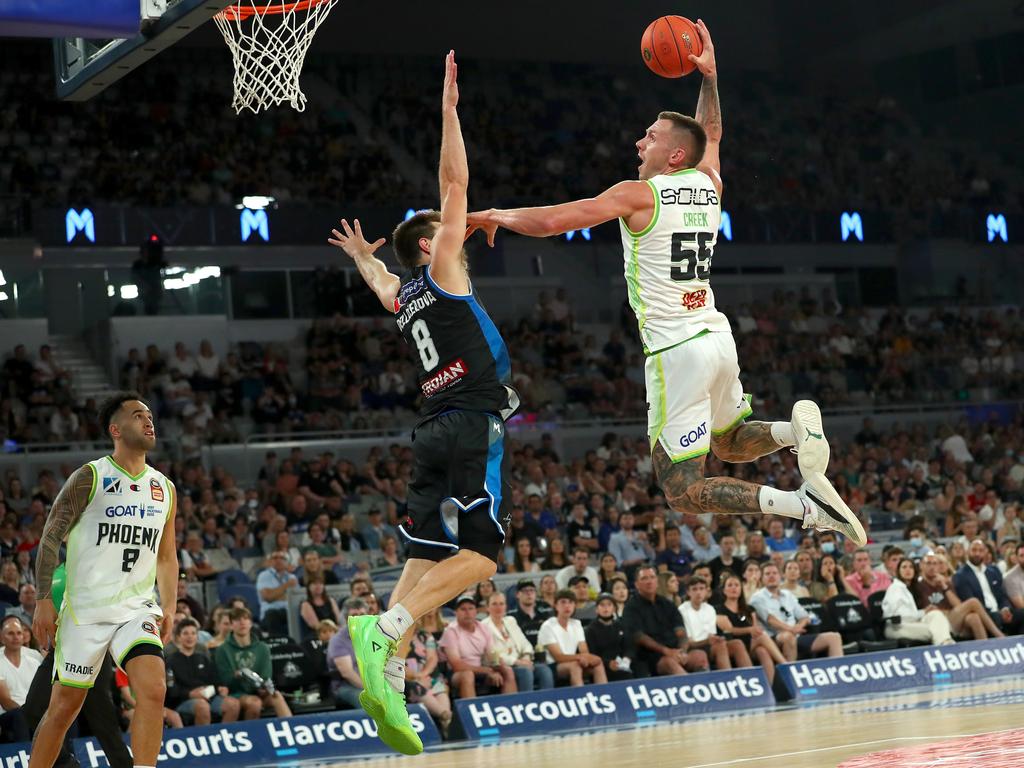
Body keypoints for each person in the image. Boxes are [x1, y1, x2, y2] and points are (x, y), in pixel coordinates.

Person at [466, 20, 865, 551]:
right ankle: (795, 433)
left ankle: (801, 504)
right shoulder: (709, 184)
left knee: (681, 489)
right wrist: (710, 79)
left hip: (675, 349)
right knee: (730, 440)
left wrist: (498, 213)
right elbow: (713, 135)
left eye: (650, 136)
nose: (639, 141)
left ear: (674, 155)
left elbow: (560, 220)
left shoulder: (640, 195)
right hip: (717, 336)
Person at [329, 53, 519, 756]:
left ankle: (390, 680)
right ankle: (383, 632)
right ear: (431, 243)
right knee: (481, 561)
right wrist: (448, 110)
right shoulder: (440, 271)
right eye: (447, 229)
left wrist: (359, 256)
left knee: (423, 563)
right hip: (472, 421)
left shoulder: (404, 294)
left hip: (432, 430)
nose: (459, 228)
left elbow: (381, 279)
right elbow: (453, 180)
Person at [29, 392, 178, 768]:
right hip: (86, 612)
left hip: (136, 609)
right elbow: (49, 537)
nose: (149, 421)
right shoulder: (91, 477)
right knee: (64, 709)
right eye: (137, 415)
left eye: (149, 414)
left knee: (154, 688)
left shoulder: (164, 488)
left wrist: (170, 605)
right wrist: (43, 599)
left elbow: (166, 555)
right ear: (115, 429)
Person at [21, 563, 133, 768]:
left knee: (103, 724)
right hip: (61, 650)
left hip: (93, 649)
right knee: (33, 709)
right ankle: (67, 764)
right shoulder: (56, 570)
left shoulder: (96, 566)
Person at [621, 566, 708, 677]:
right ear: (637, 584)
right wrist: (666, 651)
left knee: (700, 656)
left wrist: (682, 651)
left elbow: (681, 631)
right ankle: (692, 688)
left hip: (675, 651)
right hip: (650, 657)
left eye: (652, 577)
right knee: (670, 663)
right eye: (644, 578)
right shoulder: (631, 607)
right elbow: (639, 637)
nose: (649, 581)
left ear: (657, 581)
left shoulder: (667, 604)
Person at [750, 563, 843, 662]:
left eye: (774, 573)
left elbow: (804, 617)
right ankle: (790, 674)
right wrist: (791, 629)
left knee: (834, 637)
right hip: (774, 639)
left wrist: (799, 626)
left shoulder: (787, 595)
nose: (771, 576)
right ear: (761, 578)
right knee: (788, 637)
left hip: (795, 635)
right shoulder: (757, 598)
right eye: (767, 574)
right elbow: (770, 620)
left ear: (780, 576)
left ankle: (839, 674)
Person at [214, 606, 291, 720]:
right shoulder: (222, 650)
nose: (242, 623)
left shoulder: (262, 648)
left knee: (277, 696)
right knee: (254, 703)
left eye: (245, 619)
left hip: (258, 691)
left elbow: (266, 675)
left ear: (251, 623)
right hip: (235, 694)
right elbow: (225, 680)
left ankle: (292, 730)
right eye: (237, 620)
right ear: (231, 625)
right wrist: (236, 676)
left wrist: (264, 687)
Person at [438, 594, 515, 700]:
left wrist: (497, 668)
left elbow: (492, 655)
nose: (467, 612)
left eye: (470, 608)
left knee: (507, 670)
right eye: (463, 609)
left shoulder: (483, 628)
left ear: (476, 611)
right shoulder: (451, 631)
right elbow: (456, 665)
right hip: (456, 673)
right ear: (456, 613)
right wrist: (486, 671)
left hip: (480, 668)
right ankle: (471, 712)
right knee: (467, 675)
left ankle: (511, 707)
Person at [166, 617, 240, 725]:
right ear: (178, 637)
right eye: (185, 633)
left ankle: (221, 736)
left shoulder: (203, 658)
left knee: (233, 704)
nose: (190, 637)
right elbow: (171, 689)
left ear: (197, 637)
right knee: (202, 706)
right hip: (183, 701)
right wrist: (190, 694)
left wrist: (220, 688)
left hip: (209, 697)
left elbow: (216, 681)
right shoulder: (170, 661)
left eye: (193, 633)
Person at [715, 573, 785, 684]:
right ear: (724, 590)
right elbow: (728, 629)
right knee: (761, 636)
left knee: (762, 651)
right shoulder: (718, 610)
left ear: (741, 589)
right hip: (732, 643)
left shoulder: (748, 609)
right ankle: (785, 664)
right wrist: (749, 630)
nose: (734, 588)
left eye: (737, 585)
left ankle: (768, 689)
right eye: (730, 585)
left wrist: (752, 630)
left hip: (751, 643)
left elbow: (754, 629)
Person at [917, 553, 1002, 639]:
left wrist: (944, 587)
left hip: (952, 617)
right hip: (936, 622)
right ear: (921, 566)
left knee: (974, 618)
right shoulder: (919, 585)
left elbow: (957, 605)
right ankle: (999, 636)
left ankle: (984, 648)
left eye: (934, 563)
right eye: (928, 563)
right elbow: (927, 611)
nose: (932, 567)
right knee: (973, 602)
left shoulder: (946, 582)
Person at [480, 592, 553, 692]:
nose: (499, 607)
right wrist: (518, 662)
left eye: (502, 604)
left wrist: (526, 657)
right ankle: (526, 704)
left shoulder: (510, 621)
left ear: (506, 606)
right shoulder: (483, 626)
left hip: (521, 662)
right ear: (487, 608)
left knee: (544, 670)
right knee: (525, 672)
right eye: (494, 604)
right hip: (502, 667)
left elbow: (525, 644)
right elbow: (492, 655)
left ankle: (546, 702)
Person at [537, 590, 607, 687]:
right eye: (563, 602)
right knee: (575, 666)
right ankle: (581, 696)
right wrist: (580, 658)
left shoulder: (576, 624)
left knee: (597, 662)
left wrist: (586, 658)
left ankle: (604, 696)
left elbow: (584, 650)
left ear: (574, 606)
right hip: (553, 665)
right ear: (556, 606)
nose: (567, 606)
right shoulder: (548, 626)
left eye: (570, 602)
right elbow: (558, 657)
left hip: (574, 659)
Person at [954, 538, 1024, 634]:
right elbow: (969, 600)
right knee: (996, 617)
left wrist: (1005, 609)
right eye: (974, 550)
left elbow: (1002, 596)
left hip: (1001, 613)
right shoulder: (960, 575)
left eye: (981, 550)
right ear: (967, 551)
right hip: (984, 615)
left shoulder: (993, 571)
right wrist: (998, 613)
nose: (977, 553)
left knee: (1022, 613)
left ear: (985, 552)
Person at [680, 577, 750, 670]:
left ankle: (751, 678)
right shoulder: (682, 610)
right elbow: (689, 642)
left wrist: (715, 639)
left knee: (737, 643)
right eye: (694, 589)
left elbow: (711, 635)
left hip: (709, 646)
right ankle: (728, 678)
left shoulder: (710, 609)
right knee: (720, 646)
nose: (698, 592)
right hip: (694, 648)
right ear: (688, 592)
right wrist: (709, 641)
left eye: (701, 589)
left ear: (706, 591)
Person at [881, 559, 954, 645]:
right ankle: (946, 646)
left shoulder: (910, 588)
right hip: (896, 627)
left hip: (911, 623)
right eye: (904, 567)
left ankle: (945, 642)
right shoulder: (895, 589)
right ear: (898, 571)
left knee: (935, 614)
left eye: (911, 567)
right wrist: (923, 612)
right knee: (936, 630)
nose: (908, 570)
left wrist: (926, 611)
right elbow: (899, 616)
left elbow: (911, 614)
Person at [403, 615, 452, 735]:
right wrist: (416, 677)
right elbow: (395, 664)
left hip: (426, 674)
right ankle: (445, 715)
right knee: (416, 687)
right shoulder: (393, 640)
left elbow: (432, 658)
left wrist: (423, 674)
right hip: (405, 678)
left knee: (439, 684)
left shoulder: (426, 636)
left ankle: (445, 716)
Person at [327, 598, 367, 710]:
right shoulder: (338, 641)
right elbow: (348, 673)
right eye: (354, 615)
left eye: (362, 614)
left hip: (371, 683)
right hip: (346, 686)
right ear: (346, 618)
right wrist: (371, 690)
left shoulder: (372, 635)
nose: (359, 618)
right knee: (368, 701)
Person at [584, 592, 633, 681]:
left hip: (621, 665)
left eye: (609, 605)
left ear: (614, 608)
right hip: (601, 667)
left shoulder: (620, 626)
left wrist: (627, 658)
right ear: (596, 609)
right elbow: (592, 653)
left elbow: (628, 646)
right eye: (602, 605)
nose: (606, 608)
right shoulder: (591, 630)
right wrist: (608, 663)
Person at [256, 550, 299, 635]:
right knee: (272, 614)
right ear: (270, 561)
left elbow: (296, 598)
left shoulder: (292, 577)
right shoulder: (264, 575)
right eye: (275, 558)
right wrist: (287, 586)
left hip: (289, 611)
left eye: (282, 558)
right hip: (270, 613)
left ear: (287, 562)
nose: (278, 560)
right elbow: (267, 597)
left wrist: (276, 594)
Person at [508, 578, 553, 658]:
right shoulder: (511, 617)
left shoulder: (546, 613)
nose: (529, 593)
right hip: (522, 656)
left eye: (532, 590)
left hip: (546, 655)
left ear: (536, 593)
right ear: (517, 594)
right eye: (525, 591)